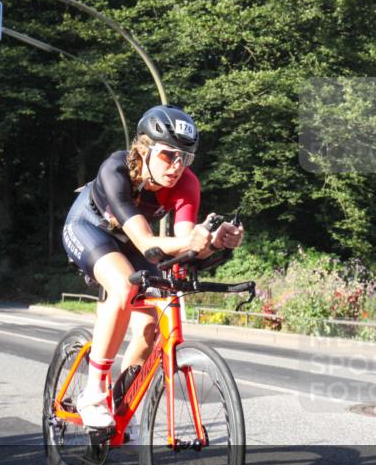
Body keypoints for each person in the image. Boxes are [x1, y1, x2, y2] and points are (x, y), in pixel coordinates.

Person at [61, 105, 244, 429]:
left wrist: (214, 241)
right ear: (144, 148)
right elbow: (148, 243)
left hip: (130, 241)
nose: (176, 166)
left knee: (150, 325)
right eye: (168, 155)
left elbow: (186, 242)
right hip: (89, 227)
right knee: (123, 285)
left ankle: (118, 406)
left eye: (185, 158)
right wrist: (194, 242)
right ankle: (92, 392)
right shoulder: (115, 170)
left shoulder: (187, 184)